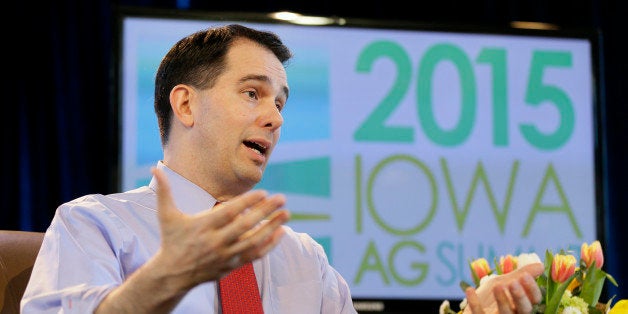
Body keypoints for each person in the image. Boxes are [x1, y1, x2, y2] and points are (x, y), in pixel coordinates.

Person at [21, 24, 543, 313]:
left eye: (282, 103)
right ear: (185, 105)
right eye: (253, 93)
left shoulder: (302, 257)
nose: (274, 117)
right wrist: (163, 280)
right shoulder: (95, 224)